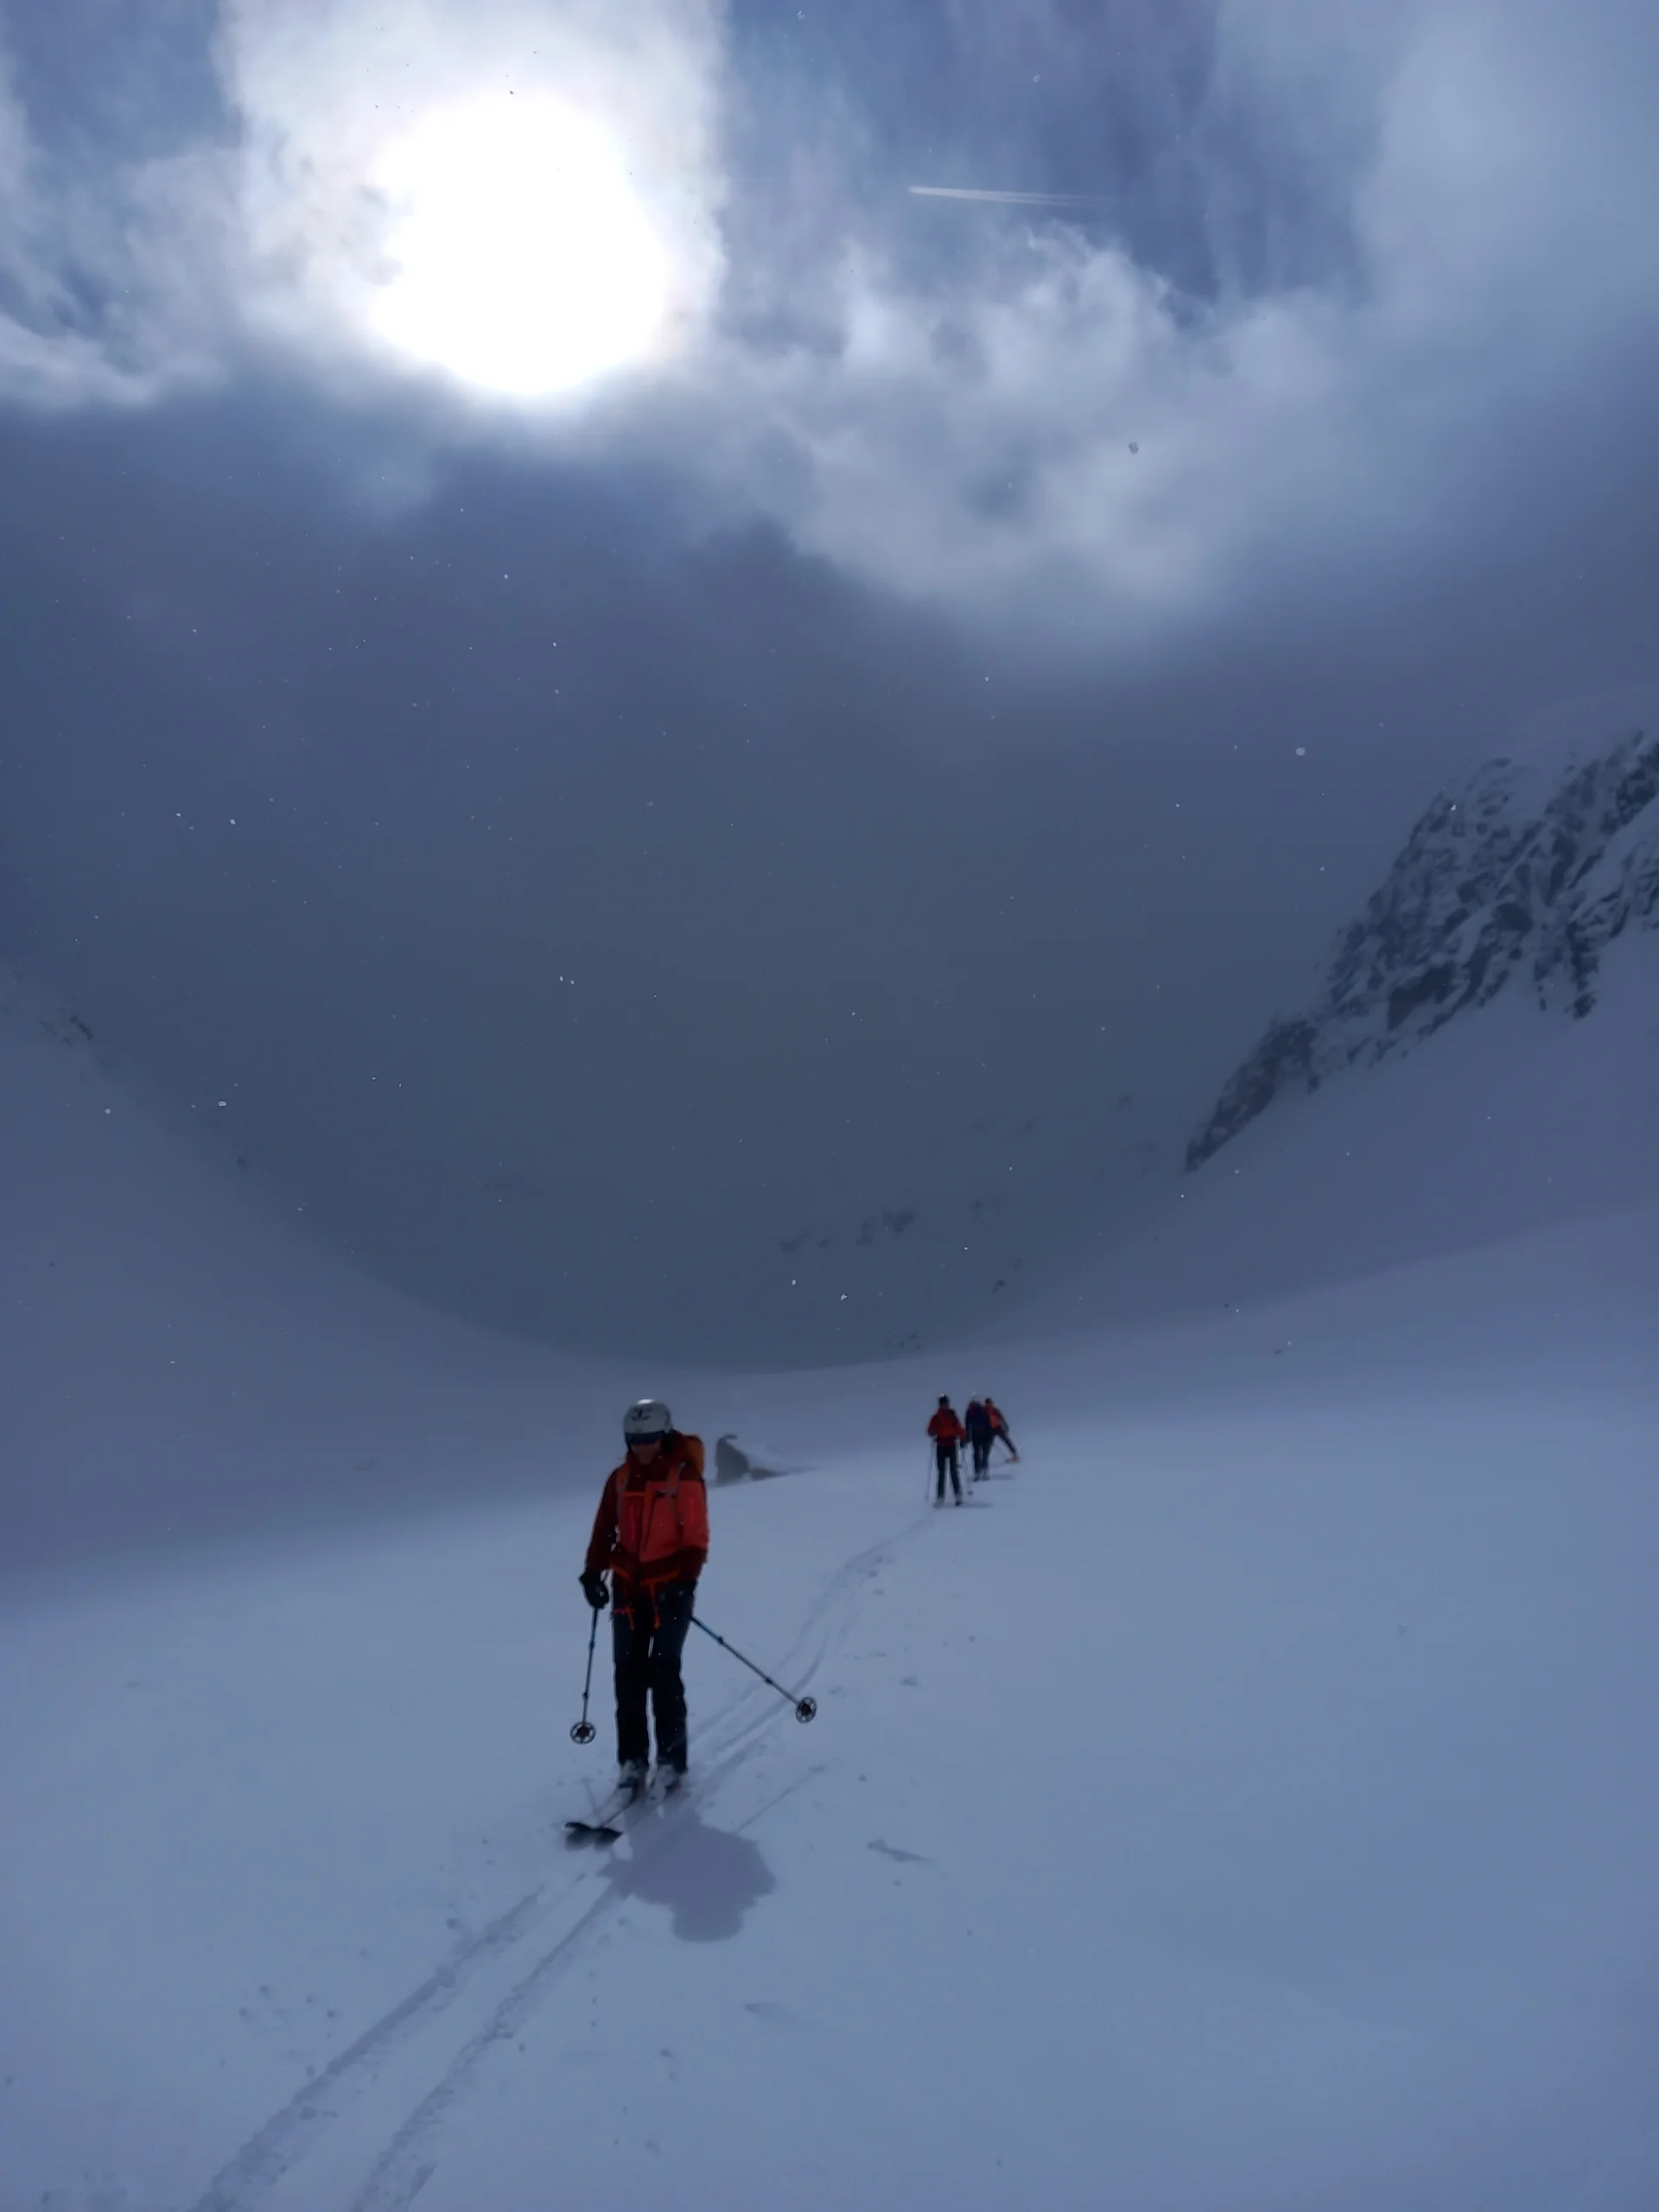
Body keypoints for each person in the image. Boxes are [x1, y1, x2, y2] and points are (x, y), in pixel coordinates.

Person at [581, 1398, 709, 1796]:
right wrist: (592, 1573)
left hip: (670, 1590)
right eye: (635, 1440)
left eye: (650, 1439)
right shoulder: (619, 1479)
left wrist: (684, 1585)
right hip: (627, 1590)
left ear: (664, 1436)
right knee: (628, 1676)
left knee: (664, 1672)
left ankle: (671, 1761)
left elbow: (695, 1540)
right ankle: (632, 1760)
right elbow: (604, 1529)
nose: (642, 1447)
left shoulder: (684, 1478)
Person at [926, 1395, 966, 1504]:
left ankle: (958, 1494)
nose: (945, 1406)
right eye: (943, 1404)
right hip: (941, 1446)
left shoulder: (952, 1416)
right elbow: (929, 1431)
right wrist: (933, 1431)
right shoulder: (936, 1417)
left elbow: (959, 1428)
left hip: (951, 1445)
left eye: (946, 1403)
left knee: (953, 1471)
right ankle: (940, 1496)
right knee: (941, 1472)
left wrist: (963, 1439)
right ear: (940, 1405)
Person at [963, 1395, 995, 1478]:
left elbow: (988, 1422)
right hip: (978, 1434)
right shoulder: (972, 1411)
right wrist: (967, 1435)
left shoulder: (979, 1410)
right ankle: (979, 1471)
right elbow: (968, 1424)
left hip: (983, 1434)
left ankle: (982, 1470)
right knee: (979, 1453)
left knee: (982, 1453)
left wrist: (990, 1433)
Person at [984, 1395, 1020, 1464]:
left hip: (998, 1428)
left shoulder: (995, 1410)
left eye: (990, 1403)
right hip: (991, 1430)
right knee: (989, 1445)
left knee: (1006, 1441)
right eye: (988, 1403)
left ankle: (1014, 1454)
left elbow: (1001, 1419)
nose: (989, 1405)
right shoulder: (986, 1411)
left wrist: (1005, 1426)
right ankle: (984, 1460)